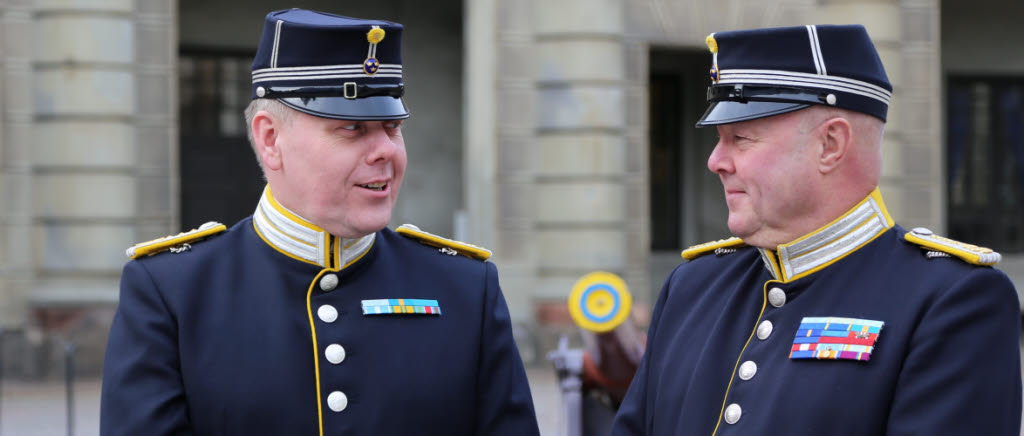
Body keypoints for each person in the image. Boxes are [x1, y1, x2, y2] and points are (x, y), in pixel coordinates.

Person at [100, 9, 540, 436]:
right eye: (352, 128)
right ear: (270, 139)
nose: (385, 150)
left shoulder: (464, 288)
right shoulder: (172, 291)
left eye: (392, 126)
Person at [612, 24, 1022, 436]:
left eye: (740, 138)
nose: (716, 161)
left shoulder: (953, 302)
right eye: (719, 140)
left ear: (830, 145)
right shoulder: (692, 287)